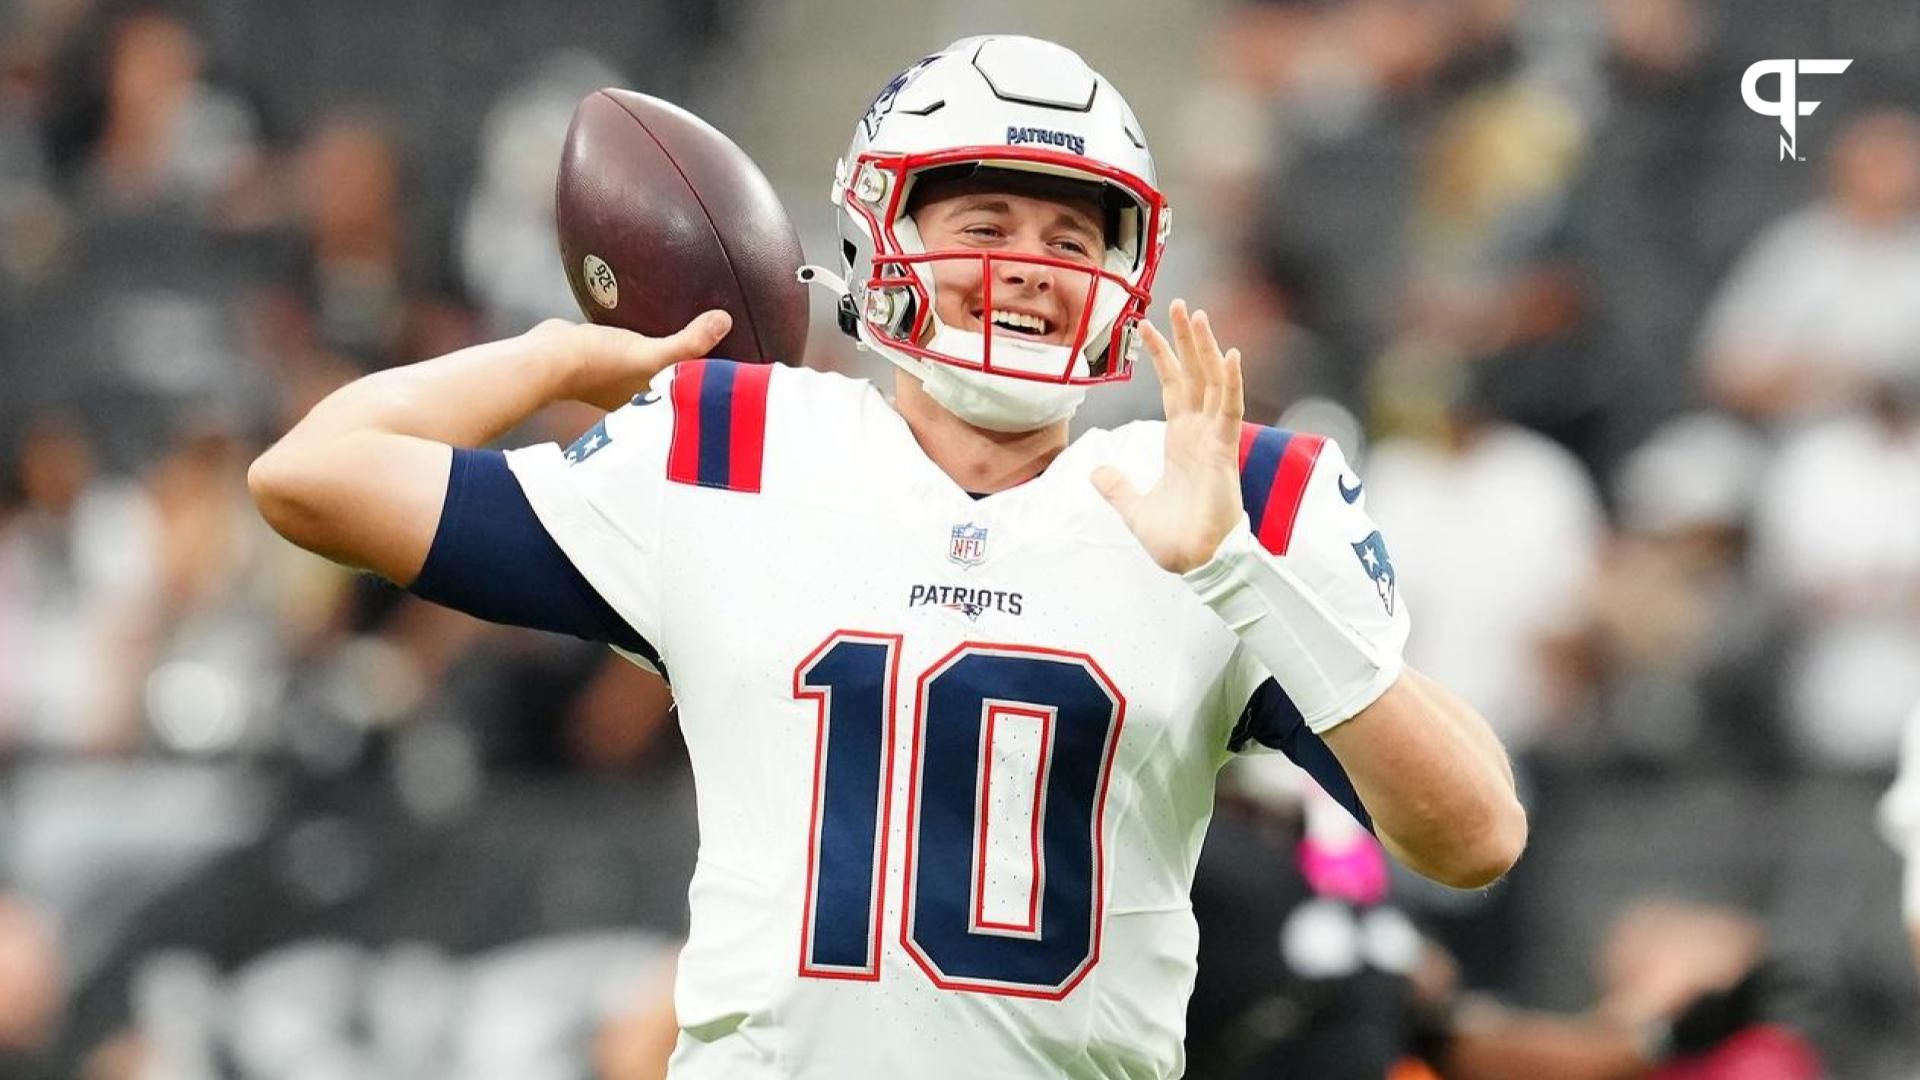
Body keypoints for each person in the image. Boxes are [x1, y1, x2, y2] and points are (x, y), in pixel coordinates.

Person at [247, 35, 1524, 1079]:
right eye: (989, 219)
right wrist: (559, 360)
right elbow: (310, 477)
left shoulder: (1221, 493)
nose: (1030, 267)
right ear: (881, 233)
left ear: (1130, 273)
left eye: (1072, 240)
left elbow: (1474, 835)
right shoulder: (736, 448)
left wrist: (1241, 569)